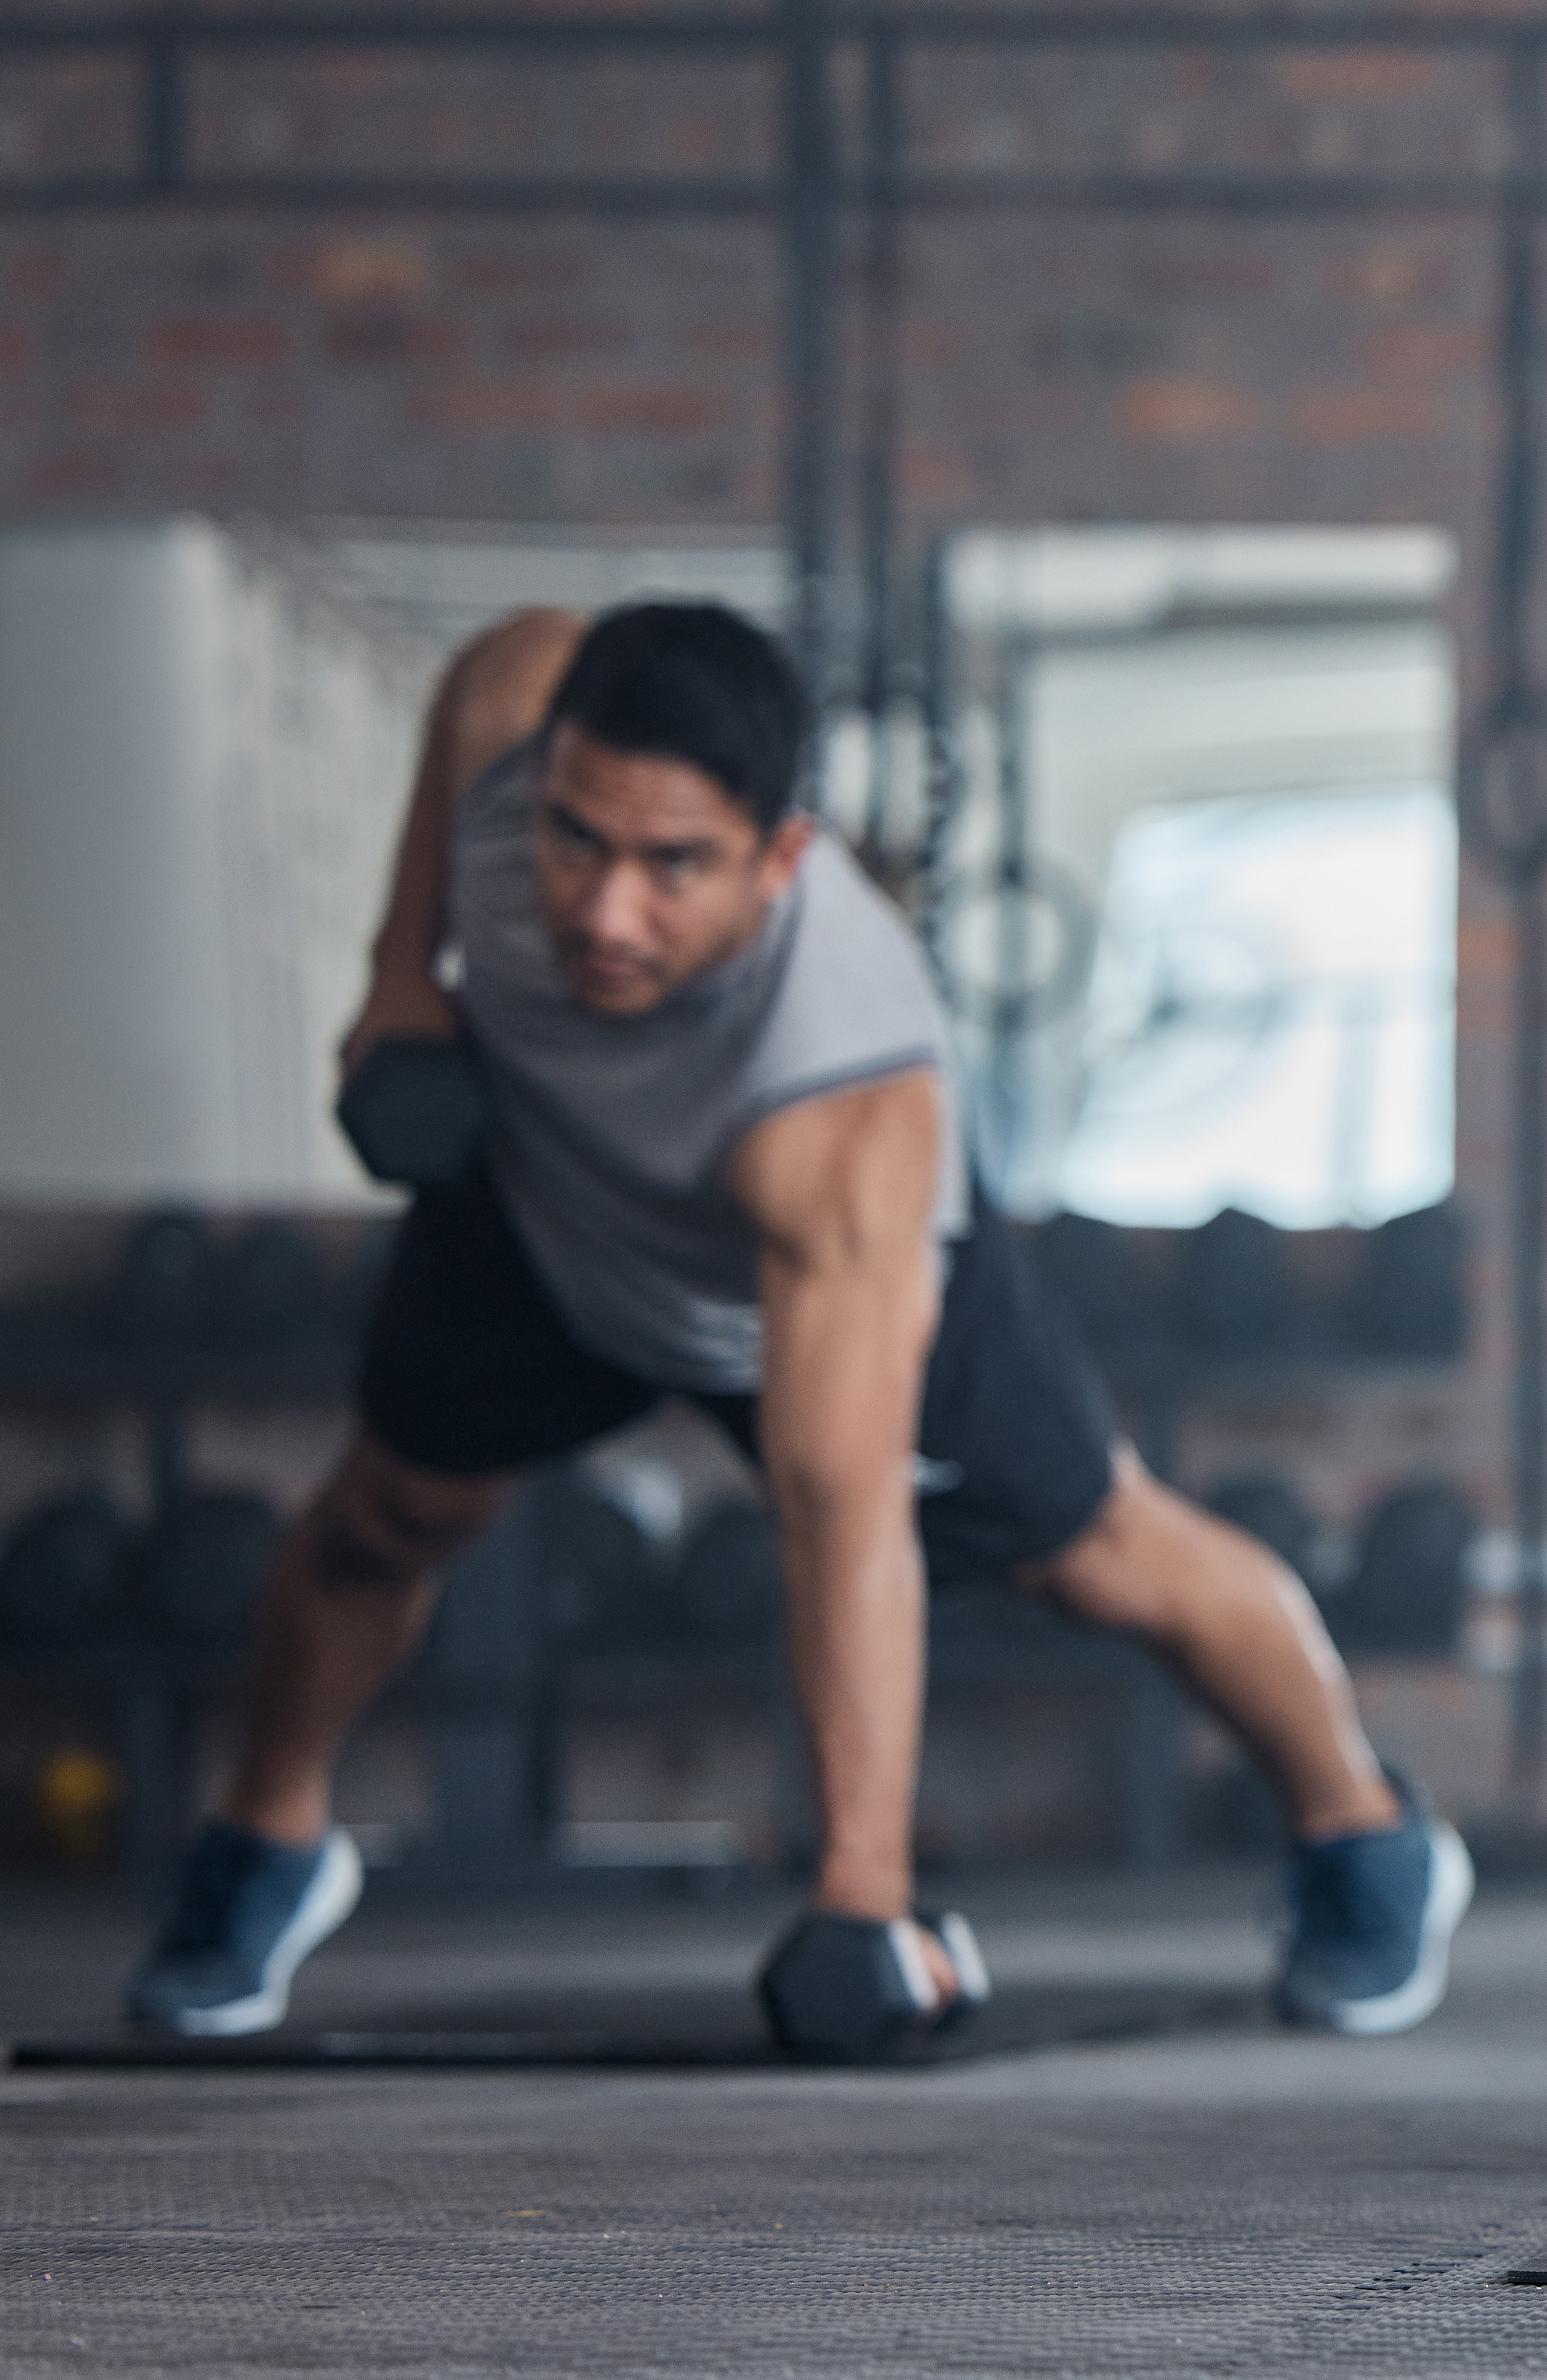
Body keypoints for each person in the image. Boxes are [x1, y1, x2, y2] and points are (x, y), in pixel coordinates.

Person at [124, 603, 1470, 2043]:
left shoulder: (843, 1088)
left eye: (674, 866)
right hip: (554, 1216)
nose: (601, 913)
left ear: (782, 859)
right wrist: (403, 980)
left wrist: (859, 1897)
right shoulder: (522, 706)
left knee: (1104, 1558)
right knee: (381, 1516)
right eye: (576, 840)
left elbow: (839, 1510)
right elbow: (475, 701)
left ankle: (1366, 1833)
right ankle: (267, 1843)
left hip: (802, 1287)